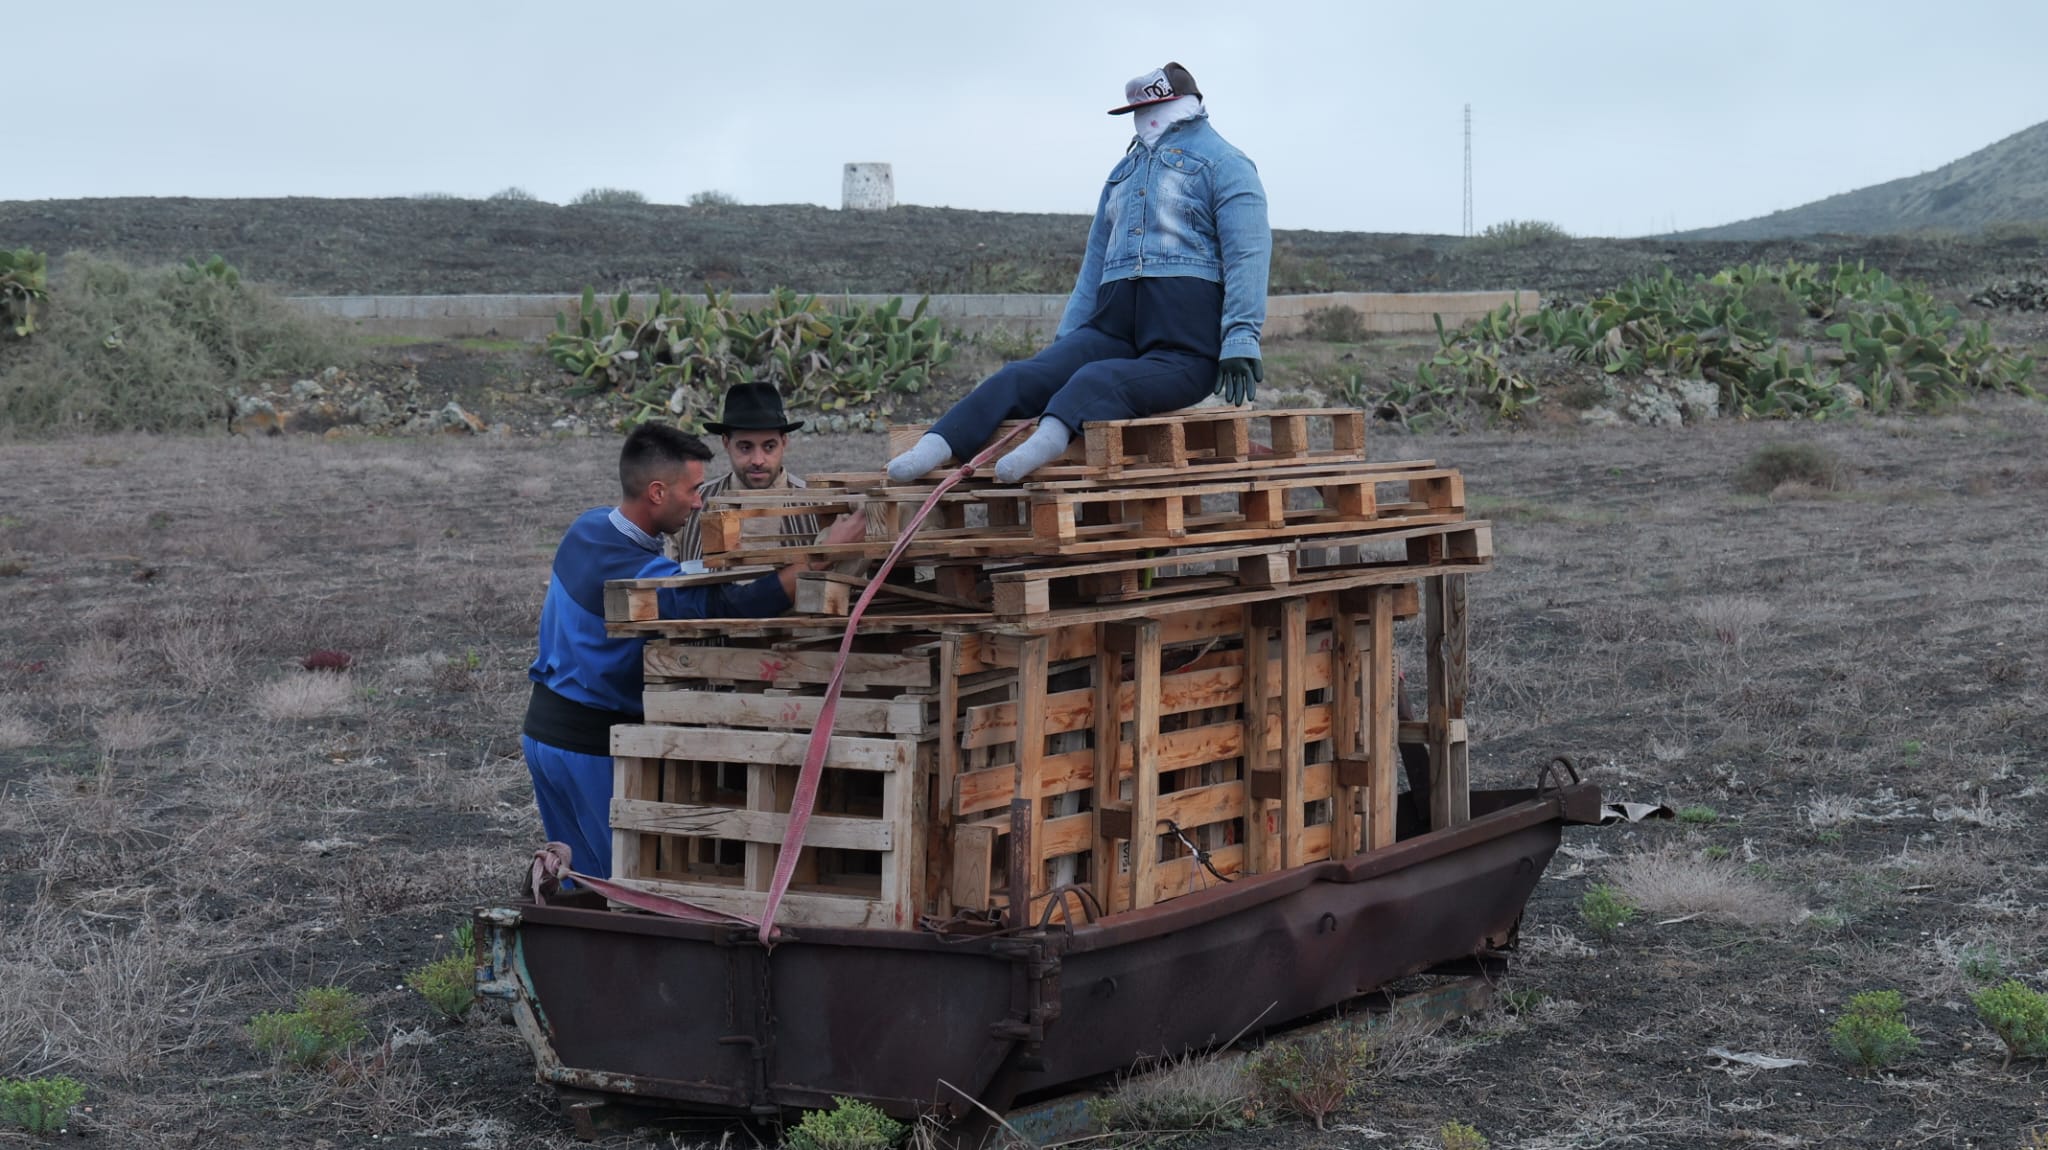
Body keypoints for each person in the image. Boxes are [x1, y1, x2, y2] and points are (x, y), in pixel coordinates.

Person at [886, 61, 1271, 485]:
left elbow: (1248, 252)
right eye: (1138, 113)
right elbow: (1094, 263)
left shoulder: (1226, 165)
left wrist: (1240, 337)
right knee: (1021, 375)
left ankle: (1043, 444)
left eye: (1154, 110)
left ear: (1185, 106)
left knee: (1096, 380)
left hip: (1183, 349)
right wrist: (1067, 341)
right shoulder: (1121, 175)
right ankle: (935, 445)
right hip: (1112, 328)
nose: (1145, 121)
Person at [521, 423, 867, 879]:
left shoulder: (588, 528)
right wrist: (820, 557)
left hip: (541, 735)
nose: (700, 501)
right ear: (658, 492)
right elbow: (726, 602)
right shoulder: (639, 576)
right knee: (617, 887)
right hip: (588, 745)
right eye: (694, 489)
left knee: (570, 875)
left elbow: (683, 575)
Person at [669, 382, 821, 565]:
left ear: (784, 442)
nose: (758, 460)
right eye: (745, 447)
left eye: (769, 447)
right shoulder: (692, 505)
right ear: (726, 443)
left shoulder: (818, 506)